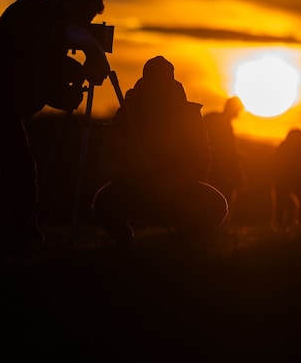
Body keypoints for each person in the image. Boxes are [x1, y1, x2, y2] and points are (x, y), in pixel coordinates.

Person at [0, 0, 111, 247]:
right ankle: (14, 234)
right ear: (73, 3)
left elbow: (46, 65)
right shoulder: (35, 12)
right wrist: (81, 71)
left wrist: (80, 72)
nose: (85, 24)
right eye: (87, 16)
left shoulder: (45, 20)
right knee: (8, 167)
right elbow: (38, 68)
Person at [91, 56, 229, 244]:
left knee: (216, 205)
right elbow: (107, 157)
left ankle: (181, 239)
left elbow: (202, 158)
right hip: (135, 190)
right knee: (102, 202)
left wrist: (179, 179)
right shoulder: (128, 112)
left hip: (177, 192)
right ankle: (124, 242)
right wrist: (126, 175)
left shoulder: (188, 114)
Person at [203, 96, 245, 208]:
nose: (239, 113)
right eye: (238, 110)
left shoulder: (213, 118)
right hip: (217, 167)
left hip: (212, 165)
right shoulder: (220, 122)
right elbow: (228, 151)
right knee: (220, 196)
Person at [272, 127, 301, 228]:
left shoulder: (285, 147)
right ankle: (283, 227)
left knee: (284, 205)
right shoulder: (286, 148)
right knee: (283, 205)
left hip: (283, 180)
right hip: (282, 181)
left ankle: (283, 226)